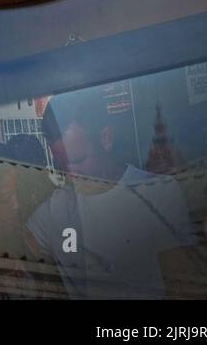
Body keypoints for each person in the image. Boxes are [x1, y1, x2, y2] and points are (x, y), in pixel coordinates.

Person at [25, 93, 195, 298]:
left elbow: (184, 286)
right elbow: (12, 250)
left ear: (106, 138)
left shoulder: (158, 192)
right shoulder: (57, 207)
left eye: (78, 160)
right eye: (61, 165)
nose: (70, 173)